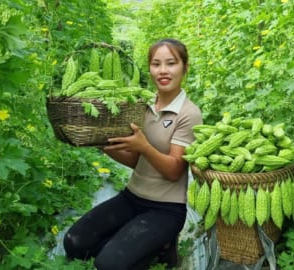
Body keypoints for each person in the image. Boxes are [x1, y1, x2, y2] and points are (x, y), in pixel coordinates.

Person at [63, 38, 203, 270]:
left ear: (184, 67)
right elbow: (136, 161)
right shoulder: (141, 104)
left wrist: (144, 146)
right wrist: (100, 144)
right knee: (74, 243)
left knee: (108, 265)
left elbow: (174, 170)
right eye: (156, 64)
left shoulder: (189, 113)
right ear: (149, 69)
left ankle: (163, 248)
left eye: (171, 63)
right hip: (131, 198)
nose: (163, 71)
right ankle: (135, 247)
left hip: (166, 209)